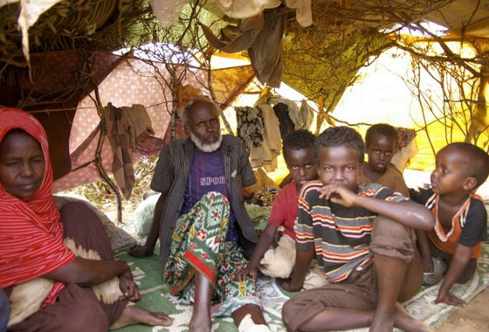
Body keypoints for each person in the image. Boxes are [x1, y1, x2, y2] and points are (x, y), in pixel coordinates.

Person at [0, 108, 172, 332]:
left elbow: (57, 210)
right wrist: (120, 268)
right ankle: (104, 311)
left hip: (52, 275)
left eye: (36, 160)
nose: (27, 172)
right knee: (85, 319)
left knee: (79, 213)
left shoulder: (39, 202)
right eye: (12, 163)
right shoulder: (5, 213)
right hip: (16, 308)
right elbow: (75, 271)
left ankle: (115, 309)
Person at [130, 98, 268, 332]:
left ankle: (254, 326)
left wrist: (254, 235)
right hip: (184, 254)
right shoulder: (174, 152)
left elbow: (243, 195)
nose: (211, 128)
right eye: (202, 124)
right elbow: (163, 200)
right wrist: (148, 245)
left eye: (214, 120)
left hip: (227, 247)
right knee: (215, 202)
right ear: (187, 129)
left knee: (243, 284)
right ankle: (201, 313)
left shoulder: (234, 147)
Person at [281, 126, 434, 332]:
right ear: (318, 169)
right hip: (355, 287)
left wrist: (357, 200)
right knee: (292, 311)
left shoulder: (372, 193)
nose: (338, 177)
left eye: (348, 168)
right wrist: (295, 284)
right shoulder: (311, 193)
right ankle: (385, 314)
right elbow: (305, 244)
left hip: (396, 278)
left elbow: (425, 219)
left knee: (391, 222)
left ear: (360, 167)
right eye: (328, 169)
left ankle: (384, 314)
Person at [412, 143, 489, 305]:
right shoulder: (428, 198)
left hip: (460, 253)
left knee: (462, 278)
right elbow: (417, 225)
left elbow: (462, 254)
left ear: (468, 183)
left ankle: (441, 268)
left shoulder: (475, 211)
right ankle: (433, 263)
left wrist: (444, 290)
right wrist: (426, 258)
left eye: (443, 171)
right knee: (410, 248)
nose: (434, 174)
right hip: (432, 246)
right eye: (436, 167)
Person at [238, 130, 318, 280]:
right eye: (295, 167)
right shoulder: (285, 195)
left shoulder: (327, 191)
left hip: (320, 247)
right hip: (292, 241)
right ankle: (272, 255)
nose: (302, 173)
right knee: (278, 268)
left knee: (322, 280)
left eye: (308, 166)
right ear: (288, 166)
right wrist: (251, 266)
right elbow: (269, 231)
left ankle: (300, 273)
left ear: (318, 161)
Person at [362, 123, 409, 196]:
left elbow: (404, 205)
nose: (382, 157)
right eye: (377, 151)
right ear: (366, 148)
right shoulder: (354, 171)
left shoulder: (395, 178)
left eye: (388, 153)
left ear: (395, 151)